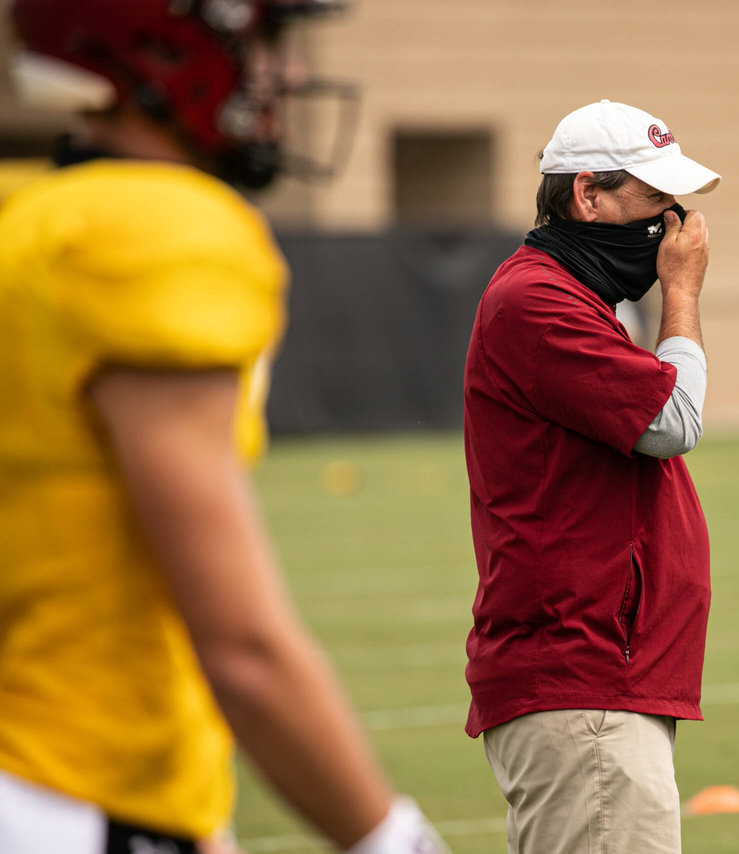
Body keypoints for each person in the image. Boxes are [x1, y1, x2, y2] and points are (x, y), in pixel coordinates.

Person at [0, 2, 447, 853]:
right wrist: (393, 841)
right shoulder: (158, 229)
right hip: (68, 792)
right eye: (268, 39)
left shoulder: (25, 216)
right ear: (163, 44)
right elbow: (242, 649)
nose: (293, 74)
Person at [462, 100, 721, 854]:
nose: (673, 224)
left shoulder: (575, 297)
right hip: (583, 682)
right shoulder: (538, 300)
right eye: (655, 202)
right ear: (588, 195)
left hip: (599, 684)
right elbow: (673, 421)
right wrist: (681, 294)